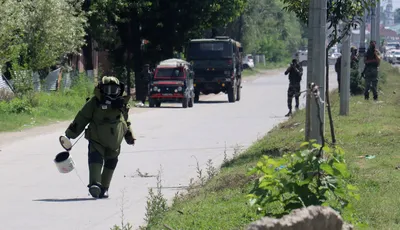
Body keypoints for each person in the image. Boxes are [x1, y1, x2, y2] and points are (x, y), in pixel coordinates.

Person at [64, 76, 136, 199]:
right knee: (95, 159)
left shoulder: (122, 104)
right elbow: (82, 118)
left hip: (115, 140)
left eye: (114, 90)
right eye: (108, 90)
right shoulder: (94, 103)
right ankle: (94, 184)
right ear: (101, 89)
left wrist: (129, 135)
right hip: (97, 138)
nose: (111, 93)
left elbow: (126, 121)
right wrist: (69, 135)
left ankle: (105, 187)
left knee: (111, 162)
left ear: (120, 90)